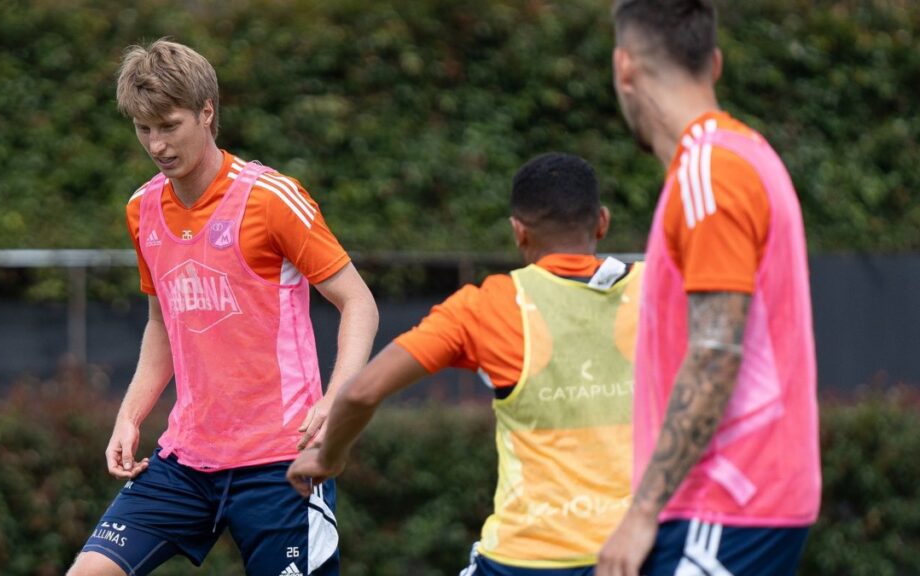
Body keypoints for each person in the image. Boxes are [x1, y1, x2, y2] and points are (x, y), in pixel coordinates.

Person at [68, 39, 378, 576]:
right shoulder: (142, 209)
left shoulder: (271, 199)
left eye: (169, 125)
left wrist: (337, 400)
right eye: (144, 129)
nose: (157, 145)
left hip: (282, 461)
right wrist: (130, 414)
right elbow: (163, 324)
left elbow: (359, 303)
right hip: (187, 458)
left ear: (207, 113)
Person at [288, 153, 644, 576]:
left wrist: (330, 457)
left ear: (518, 232)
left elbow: (363, 391)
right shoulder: (657, 291)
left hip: (526, 560)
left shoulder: (485, 306)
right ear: (602, 222)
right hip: (639, 549)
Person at [597, 1, 821, 575]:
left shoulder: (708, 172)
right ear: (714, 63)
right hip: (747, 502)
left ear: (625, 67)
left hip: (724, 504)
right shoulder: (748, 155)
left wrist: (642, 512)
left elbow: (715, 353)